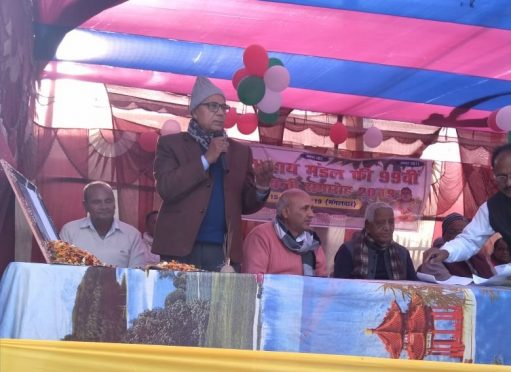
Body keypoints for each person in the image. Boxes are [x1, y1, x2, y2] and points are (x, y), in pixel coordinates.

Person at [152, 76, 273, 271]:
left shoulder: (240, 152)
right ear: (195, 111)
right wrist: (206, 159)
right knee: (176, 301)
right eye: (212, 106)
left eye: (223, 108)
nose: (220, 113)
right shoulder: (171, 145)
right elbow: (167, 188)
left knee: (219, 302)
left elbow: (245, 205)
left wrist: (261, 186)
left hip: (222, 251)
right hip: (179, 247)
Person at [428, 143, 511, 265]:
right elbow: (470, 240)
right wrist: (446, 251)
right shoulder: (492, 209)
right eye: (502, 177)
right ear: (494, 176)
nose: (509, 183)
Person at [241, 188, 327, 276]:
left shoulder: (312, 241)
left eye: (312, 209)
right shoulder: (261, 236)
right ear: (286, 212)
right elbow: (254, 281)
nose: (311, 214)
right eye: (305, 209)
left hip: (308, 290)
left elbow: (322, 281)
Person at [60, 181, 146, 268]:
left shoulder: (132, 234)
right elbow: (62, 271)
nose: (104, 207)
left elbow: (137, 275)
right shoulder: (69, 231)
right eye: (97, 202)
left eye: (108, 201)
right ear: (85, 206)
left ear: (114, 204)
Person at [333, 202, 417, 280]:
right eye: (380, 223)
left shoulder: (402, 253)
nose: (387, 228)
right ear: (368, 225)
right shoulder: (348, 250)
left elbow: (414, 288)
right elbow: (340, 289)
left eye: (391, 222)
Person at [418, 213, 493, 280]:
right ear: (443, 236)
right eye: (452, 232)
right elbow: (444, 285)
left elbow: (493, 279)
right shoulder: (434, 256)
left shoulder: (479, 256)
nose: (458, 236)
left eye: (463, 233)